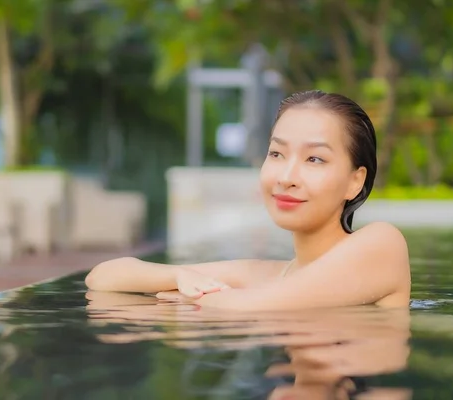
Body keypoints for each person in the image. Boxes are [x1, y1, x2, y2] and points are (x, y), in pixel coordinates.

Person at [85, 90, 411, 311]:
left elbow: (257, 308)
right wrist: (177, 278)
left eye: (315, 159)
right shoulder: (265, 276)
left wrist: (194, 300)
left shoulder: (382, 245)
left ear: (355, 181)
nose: (286, 176)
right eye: (277, 153)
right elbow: (103, 276)